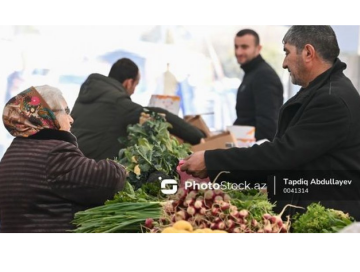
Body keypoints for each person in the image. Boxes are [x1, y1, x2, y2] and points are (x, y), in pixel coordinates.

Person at [181, 26, 360, 221]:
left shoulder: (332, 100)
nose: (283, 63)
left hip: (326, 216)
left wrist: (212, 161)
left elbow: (282, 154)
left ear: (308, 53)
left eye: (287, 52)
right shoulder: (323, 91)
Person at [0, 85, 126, 232]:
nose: (71, 119)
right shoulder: (54, 154)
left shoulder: (12, 154)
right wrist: (120, 168)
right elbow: (109, 180)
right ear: (46, 115)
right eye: (66, 111)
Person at [71, 58, 206, 162]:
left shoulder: (87, 95)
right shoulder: (118, 103)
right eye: (136, 85)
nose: (134, 90)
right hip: (95, 168)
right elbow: (157, 114)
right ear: (128, 83)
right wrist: (197, 135)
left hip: (74, 160)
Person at [234, 29, 283, 141]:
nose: (238, 52)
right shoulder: (252, 73)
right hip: (245, 147)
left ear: (258, 48)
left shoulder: (264, 75)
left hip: (254, 151)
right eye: (236, 47)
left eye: (244, 47)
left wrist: (254, 154)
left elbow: (268, 125)